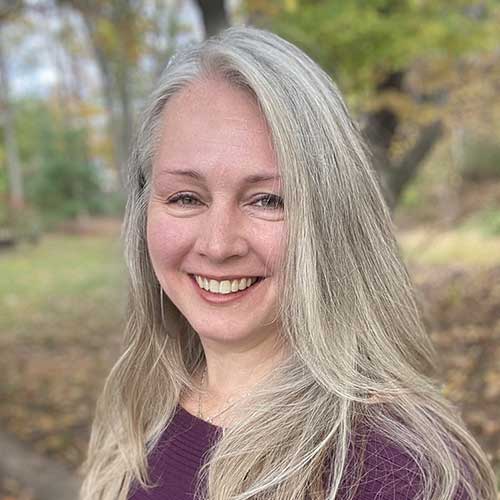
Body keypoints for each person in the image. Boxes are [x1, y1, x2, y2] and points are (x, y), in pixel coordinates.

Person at [79, 26, 498, 500]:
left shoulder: (398, 472)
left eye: (267, 200)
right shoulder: (138, 414)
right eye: (185, 197)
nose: (218, 245)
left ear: (332, 218)